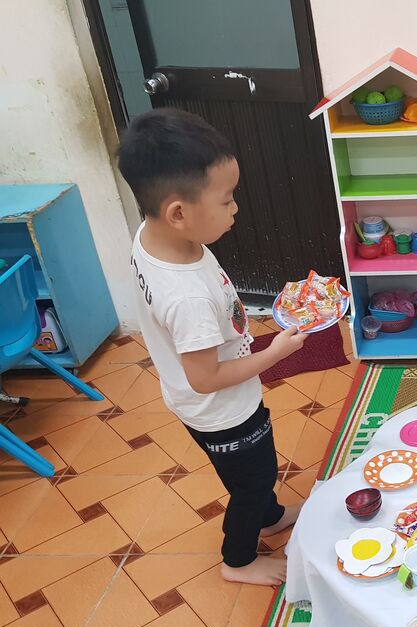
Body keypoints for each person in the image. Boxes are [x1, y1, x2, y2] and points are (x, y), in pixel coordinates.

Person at [117, 108, 307, 586]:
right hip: (220, 409)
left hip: (202, 398)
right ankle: (238, 560)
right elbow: (205, 378)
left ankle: (270, 516)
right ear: (178, 213)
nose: (235, 208)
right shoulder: (187, 298)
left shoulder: (152, 235)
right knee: (252, 480)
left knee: (252, 471)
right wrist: (276, 353)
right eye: (226, 200)